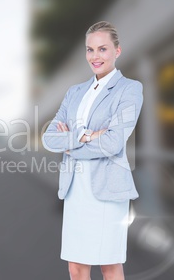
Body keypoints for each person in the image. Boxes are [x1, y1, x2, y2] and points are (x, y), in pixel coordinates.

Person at [41, 21, 144, 280]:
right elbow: (49, 139)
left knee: (109, 266)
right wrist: (88, 135)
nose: (95, 57)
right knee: (76, 268)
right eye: (90, 50)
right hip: (76, 189)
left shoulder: (130, 89)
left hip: (107, 190)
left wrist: (71, 143)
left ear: (117, 51)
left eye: (102, 49)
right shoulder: (74, 92)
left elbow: (113, 143)